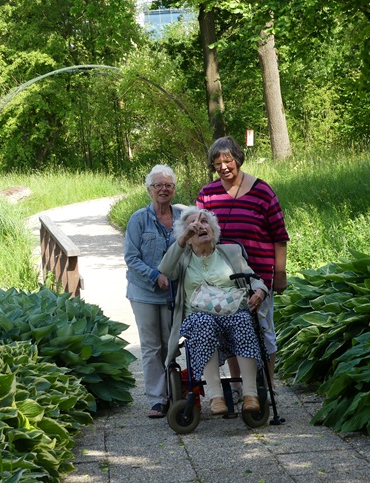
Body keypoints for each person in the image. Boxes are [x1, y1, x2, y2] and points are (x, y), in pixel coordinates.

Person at [196, 136, 289, 399]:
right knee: (232, 331)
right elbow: (199, 230)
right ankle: (239, 387)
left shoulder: (262, 192)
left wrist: (279, 275)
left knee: (264, 332)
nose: (224, 167)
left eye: (228, 161)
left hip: (259, 275)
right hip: (223, 278)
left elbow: (279, 236)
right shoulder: (208, 193)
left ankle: (267, 386)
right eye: (217, 163)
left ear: (238, 158)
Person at [158, 206, 268, 415]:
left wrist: (260, 292)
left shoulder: (231, 252)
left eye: (204, 222)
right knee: (203, 323)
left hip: (232, 313)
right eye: (193, 225)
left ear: (214, 229)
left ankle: (250, 394)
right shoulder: (181, 259)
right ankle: (216, 397)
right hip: (198, 317)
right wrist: (184, 237)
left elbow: (255, 279)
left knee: (244, 321)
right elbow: (165, 270)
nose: (200, 226)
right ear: (188, 237)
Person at [124, 164, 184, 419]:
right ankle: (158, 400)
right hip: (145, 293)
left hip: (176, 293)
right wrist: (155, 275)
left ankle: (176, 391)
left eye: (168, 185)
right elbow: (131, 257)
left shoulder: (183, 215)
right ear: (149, 189)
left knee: (171, 345)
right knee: (151, 346)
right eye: (158, 185)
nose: (163, 189)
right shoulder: (139, 219)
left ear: (174, 189)